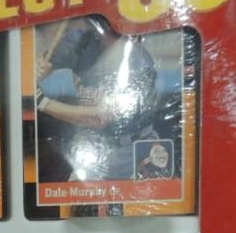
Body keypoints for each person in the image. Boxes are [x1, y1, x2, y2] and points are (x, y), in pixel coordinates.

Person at [35, 20, 161, 182]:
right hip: (94, 149)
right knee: (74, 194)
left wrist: (43, 103)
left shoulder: (138, 59)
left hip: (135, 150)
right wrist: (40, 69)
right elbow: (43, 66)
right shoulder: (83, 40)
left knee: (138, 197)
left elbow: (99, 118)